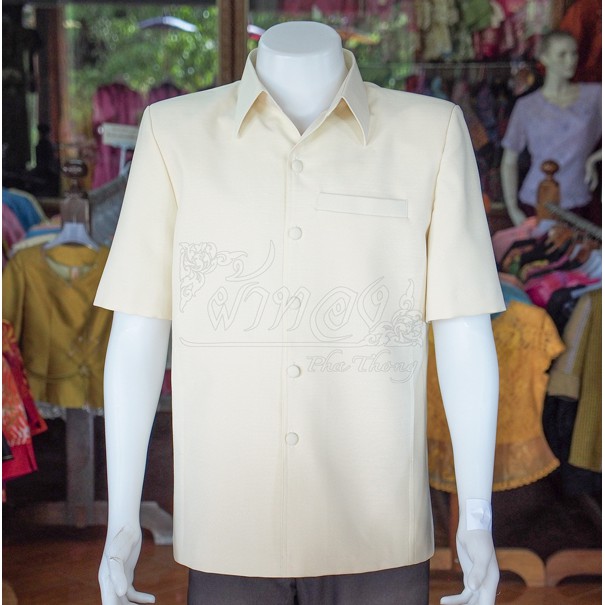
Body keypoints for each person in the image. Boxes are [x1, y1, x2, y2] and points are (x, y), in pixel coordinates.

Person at [96, 21, 504, 605]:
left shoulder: (430, 133)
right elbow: (138, 326)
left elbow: (465, 327)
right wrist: (121, 524)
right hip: (230, 524)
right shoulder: (173, 134)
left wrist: (477, 519)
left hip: (375, 527)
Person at [500, 30, 602, 226]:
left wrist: (595, 158)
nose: (570, 60)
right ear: (544, 58)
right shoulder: (526, 106)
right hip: (535, 202)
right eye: (562, 54)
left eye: (574, 53)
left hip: (580, 202)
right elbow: (509, 160)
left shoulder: (595, 96)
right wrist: (512, 209)